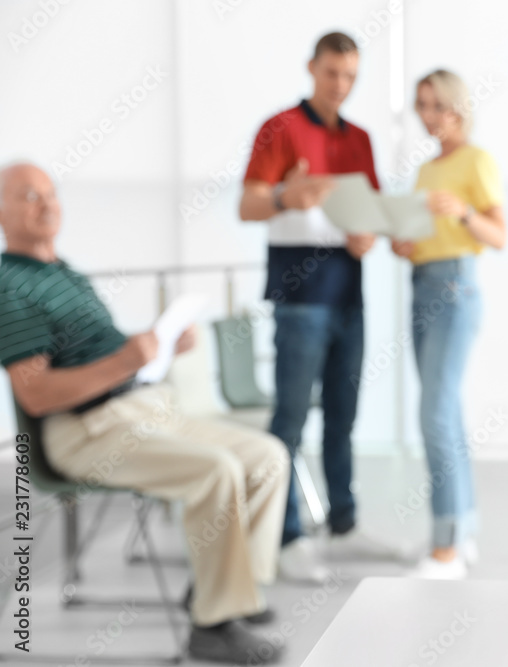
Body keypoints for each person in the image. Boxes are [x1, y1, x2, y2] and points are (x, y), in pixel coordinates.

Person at [0, 163, 290, 664]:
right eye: (30, 195)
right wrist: (125, 361)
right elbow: (37, 395)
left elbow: (106, 356)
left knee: (267, 456)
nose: (47, 204)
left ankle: (221, 589)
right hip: (88, 433)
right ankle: (213, 626)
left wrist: (160, 348)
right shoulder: (10, 285)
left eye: (51, 193)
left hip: (144, 410)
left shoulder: (62, 271)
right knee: (217, 471)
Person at [239, 31, 400, 583]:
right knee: (288, 420)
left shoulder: (360, 138)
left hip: (348, 293)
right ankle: (284, 536)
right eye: (332, 73)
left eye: (350, 76)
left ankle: (344, 525)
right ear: (312, 68)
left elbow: (372, 215)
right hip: (299, 295)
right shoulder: (280, 128)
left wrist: (367, 238)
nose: (340, 85)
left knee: (342, 416)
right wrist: (287, 195)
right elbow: (248, 204)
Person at [390, 70, 506, 579]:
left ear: (457, 107)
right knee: (447, 417)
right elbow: (419, 238)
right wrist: (404, 243)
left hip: (456, 290)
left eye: (435, 105)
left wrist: (461, 213)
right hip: (421, 285)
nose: (427, 116)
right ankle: (463, 530)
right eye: (420, 105)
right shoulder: (424, 172)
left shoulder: (476, 160)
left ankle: (446, 549)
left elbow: (498, 235)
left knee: (434, 415)